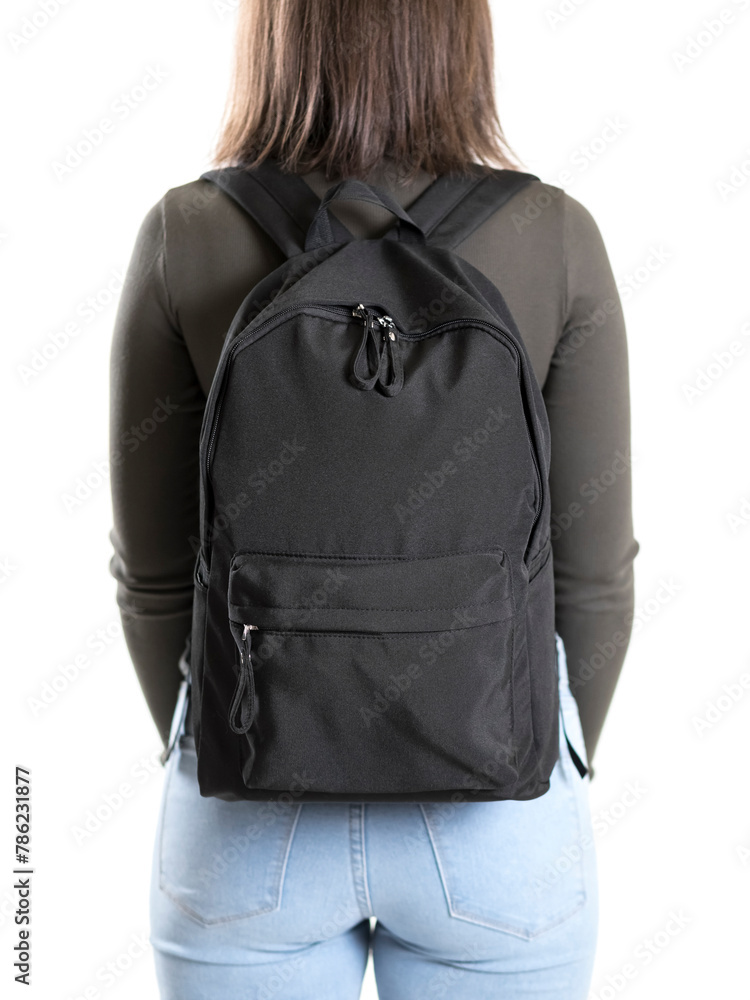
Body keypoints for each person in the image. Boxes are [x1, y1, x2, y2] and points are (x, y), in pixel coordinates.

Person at [108, 1, 639, 996]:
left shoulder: (186, 230)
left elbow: (152, 580)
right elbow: (597, 580)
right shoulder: (556, 234)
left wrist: (221, 738)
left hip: (248, 819)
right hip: (497, 824)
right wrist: (545, 756)